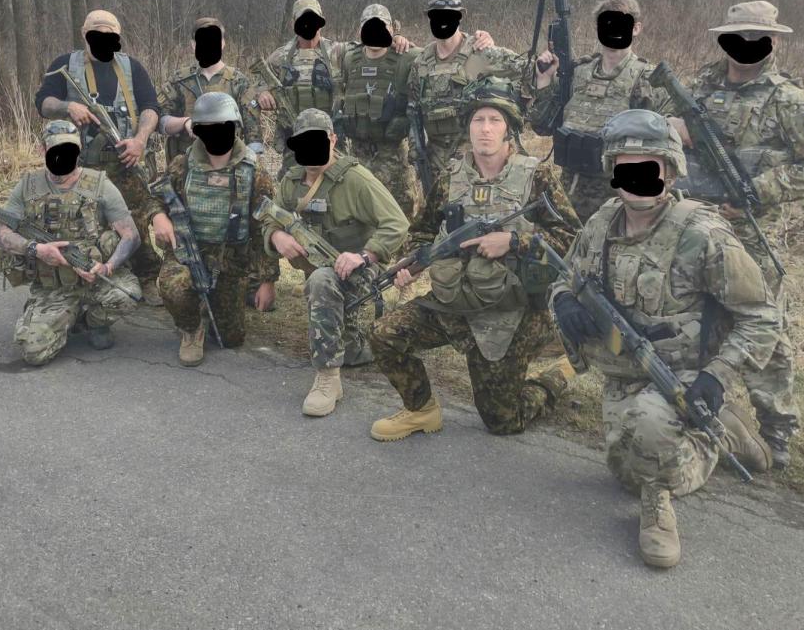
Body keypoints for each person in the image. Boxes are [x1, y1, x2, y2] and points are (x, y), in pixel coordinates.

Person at [549, 109, 779, 568]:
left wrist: (716, 376)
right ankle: (718, 435)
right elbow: (566, 277)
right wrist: (563, 303)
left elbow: (761, 317)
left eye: (647, 167)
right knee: (623, 469)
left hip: (682, 372)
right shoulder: (602, 221)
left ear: (670, 171)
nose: (635, 179)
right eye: (624, 167)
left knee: (650, 444)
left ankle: (666, 498)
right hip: (622, 372)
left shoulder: (703, 234)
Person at [668, 0, 804, 468]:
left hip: (750, 234)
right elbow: (660, 142)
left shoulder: (788, 100)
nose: (745, 46)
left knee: (764, 329)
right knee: (692, 323)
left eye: (754, 37)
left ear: (773, 42)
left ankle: (775, 432)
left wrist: (758, 192)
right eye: (737, 36)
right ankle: (699, 414)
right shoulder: (697, 89)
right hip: (694, 226)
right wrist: (673, 132)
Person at [369, 78, 579, 440]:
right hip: (453, 301)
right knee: (384, 335)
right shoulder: (451, 178)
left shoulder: (536, 177)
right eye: (478, 120)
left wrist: (513, 241)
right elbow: (421, 232)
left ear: (509, 130)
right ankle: (421, 411)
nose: (485, 129)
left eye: (494, 121)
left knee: (502, 421)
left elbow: (571, 241)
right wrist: (412, 265)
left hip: (512, 311)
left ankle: (558, 374)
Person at [261, 108, 409, 416]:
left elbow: (397, 223)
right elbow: (269, 217)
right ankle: (348, 348)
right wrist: (276, 237)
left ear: (332, 139)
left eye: (318, 140)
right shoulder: (291, 181)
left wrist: (364, 255)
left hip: (364, 273)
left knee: (321, 281)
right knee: (350, 346)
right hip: (324, 272)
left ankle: (328, 379)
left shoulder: (356, 179)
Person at [34, 9, 163, 305]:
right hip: (81, 166)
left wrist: (140, 140)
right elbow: (43, 102)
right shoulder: (64, 64)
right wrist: (68, 107)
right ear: (85, 34)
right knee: (81, 223)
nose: (103, 40)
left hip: (125, 159)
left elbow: (151, 107)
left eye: (110, 36)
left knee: (138, 218)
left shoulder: (132, 67)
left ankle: (146, 278)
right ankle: (84, 277)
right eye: (97, 34)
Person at [146, 93, 279, 367]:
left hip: (231, 260)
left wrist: (268, 281)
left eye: (224, 128)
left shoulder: (254, 172)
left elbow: (265, 228)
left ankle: (209, 306)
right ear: (198, 132)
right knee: (173, 286)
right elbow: (155, 197)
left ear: (235, 128)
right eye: (209, 129)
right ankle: (191, 328)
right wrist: (158, 217)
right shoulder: (183, 165)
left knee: (231, 339)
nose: (217, 134)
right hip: (187, 250)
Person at [0, 120, 141, 365]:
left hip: (94, 280)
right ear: (43, 150)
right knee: (32, 351)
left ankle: (93, 322)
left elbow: (131, 235)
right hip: (54, 287)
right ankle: (59, 318)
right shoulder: (28, 186)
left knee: (128, 295)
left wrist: (107, 267)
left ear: (79, 149)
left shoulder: (100, 184)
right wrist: (37, 249)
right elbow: (0, 234)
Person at [530, 0, 671, 223]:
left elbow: (663, 148)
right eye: (606, 23)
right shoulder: (577, 72)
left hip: (615, 199)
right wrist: (544, 82)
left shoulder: (648, 79)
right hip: (566, 193)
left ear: (636, 28)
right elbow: (541, 126)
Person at [252, 0, 413, 179]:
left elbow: (371, 46)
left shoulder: (338, 51)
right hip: (294, 137)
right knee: (293, 185)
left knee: (335, 186)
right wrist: (262, 92)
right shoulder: (279, 57)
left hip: (331, 140)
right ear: (293, 23)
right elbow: (257, 81)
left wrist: (396, 39)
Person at [408, 0, 524, 184]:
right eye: (436, 15)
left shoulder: (480, 52)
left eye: (449, 15)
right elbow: (413, 111)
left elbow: (526, 70)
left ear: (460, 17)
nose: (442, 21)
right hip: (434, 161)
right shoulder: (420, 63)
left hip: (474, 159)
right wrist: (416, 153)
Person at [337, 3, 422, 219]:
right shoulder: (349, 59)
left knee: (401, 216)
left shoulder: (407, 58)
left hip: (393, 156)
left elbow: (440, 54)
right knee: (361, 215)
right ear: (360, 30)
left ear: (392, 29)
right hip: (358, 155)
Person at [158, 16, 265, 165]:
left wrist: (253, 167)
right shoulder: (179, 80)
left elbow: (253, 134)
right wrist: (185, 122)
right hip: (187, 164)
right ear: (193, 45)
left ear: (223, 43)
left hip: (228, 165)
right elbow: (161, 121)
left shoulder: (238, 81)